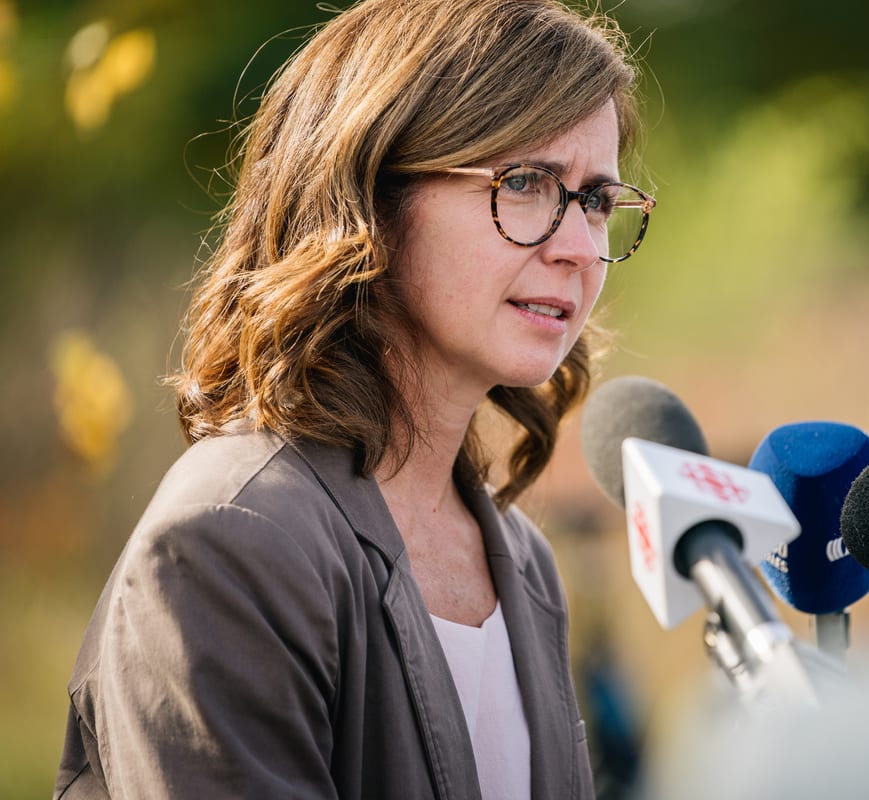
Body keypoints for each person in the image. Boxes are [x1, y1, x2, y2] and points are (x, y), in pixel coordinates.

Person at [53, 0, 654, 797]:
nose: (580, 249)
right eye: (525, 185)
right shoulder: (232, 540)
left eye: (598, 201)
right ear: (370, 196)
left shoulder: (522, 559)